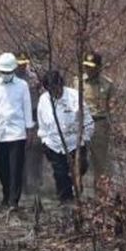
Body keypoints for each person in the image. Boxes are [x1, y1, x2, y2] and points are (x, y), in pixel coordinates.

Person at [0, 53, 35, 210]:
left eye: (8, 72)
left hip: (17, 132)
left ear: (13, 70)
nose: (5, 75)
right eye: (3, 72)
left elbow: (27, 108)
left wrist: (29, 130)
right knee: (0, 166)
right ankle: (6, 194)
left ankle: (13, 201)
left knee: (15, 168)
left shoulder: (22, 85)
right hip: (0, 132)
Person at [38, 70, 94, 204]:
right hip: (54, 144)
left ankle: (77, 193)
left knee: (80, 168)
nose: (54, 92)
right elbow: (42, 124)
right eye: (50, 90)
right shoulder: (44, 100)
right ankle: (65, 201)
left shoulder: (74, 97)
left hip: (74, 143)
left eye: (56, 89)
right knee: (60, 173)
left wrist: (85, 138)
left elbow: (87, 119)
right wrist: (45, 141)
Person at [74, 52, 115, 191]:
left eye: (92, 67)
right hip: (81, 124)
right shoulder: (77, 82)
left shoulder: (107, 84)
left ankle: (100, 195)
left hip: (99, 123)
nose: (89, 70)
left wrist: (111, 126)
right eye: (86, 66)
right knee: (78, 160)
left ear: (99, 67)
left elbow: (112, 107)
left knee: (100, 162)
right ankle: (76, 190)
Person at [16, 52, 43, 195]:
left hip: (33, 115)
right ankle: (22, 183)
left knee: (35, 149)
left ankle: (36, 181)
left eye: (24, 63)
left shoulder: (34, 76)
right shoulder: (10, 77)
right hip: (17, 117)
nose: (22, 66)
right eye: (19, 63)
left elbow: (42, 95)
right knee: (20, 151)